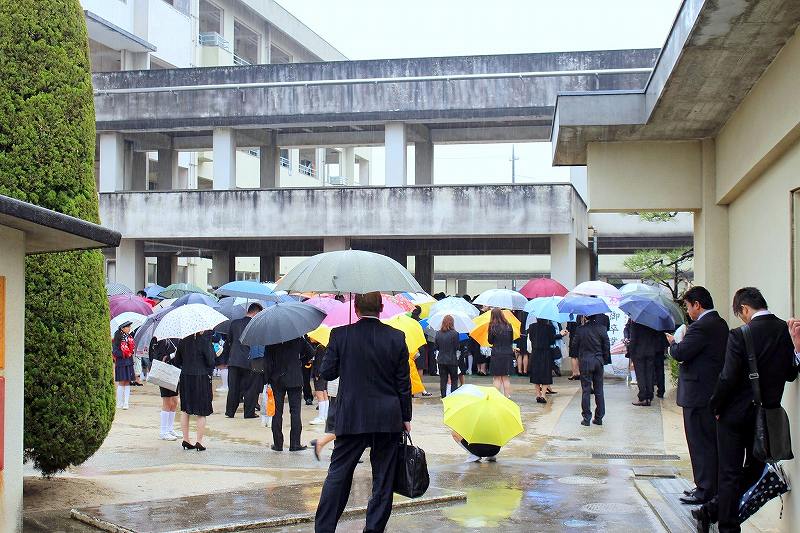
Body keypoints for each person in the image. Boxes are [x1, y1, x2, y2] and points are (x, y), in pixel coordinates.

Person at [696, 288, 797, 533]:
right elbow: (791, 374)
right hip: (766, 417)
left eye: (741, 314)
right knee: (755, 469)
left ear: (744, 309)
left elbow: (727, 377)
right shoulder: (784, 330)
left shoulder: (740, 334)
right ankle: (712, 511)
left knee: (729, 474)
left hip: (733, 416)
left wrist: (715, 405)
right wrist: (798, 349)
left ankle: (723, 522)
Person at [314, 292, 411, 533]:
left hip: (351, 415)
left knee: (338, 474)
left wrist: (338, 349)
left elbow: (327, 373)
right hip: (388, 417)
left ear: (356, 308)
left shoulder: (340, 335)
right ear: (380, 308)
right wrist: (406, 416)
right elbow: (403, 383)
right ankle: (373, 529)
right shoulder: (397, 337)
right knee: (383, 478)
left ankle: (324, 528)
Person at [665, 286, 728, 506]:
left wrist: (673, 343)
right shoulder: (720, 324)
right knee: (709, 442)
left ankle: (705, 489)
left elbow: (681, 353)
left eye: (688, 306)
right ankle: (708, 485)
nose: (688, 311)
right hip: (710, 392)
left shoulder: (701, 327)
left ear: (697, 305)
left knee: (700, 443)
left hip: (698, 394)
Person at [266, 336, 315, 451]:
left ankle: (278, 444)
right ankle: (295, 444)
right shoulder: (297, 338)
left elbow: (267, 361)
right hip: (294, 377)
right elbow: (311, 352)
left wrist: (268, 378)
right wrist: (300, 362)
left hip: (277, 378)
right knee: (295, 412)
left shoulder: (272, 339)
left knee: (277, 412)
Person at [174, 331, 216, 451]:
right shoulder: (205, 341)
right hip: (201, 378)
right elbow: (211, 362)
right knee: (201, 411)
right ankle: (199, 441)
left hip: (186, 377)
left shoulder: (183, 341)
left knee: (185, 409)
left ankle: (186, 439)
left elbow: (177, 361)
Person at [221, 303, 263, 418]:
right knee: (250, 388)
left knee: (233, 388)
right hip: (249, 361)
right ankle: (248, 413)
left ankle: (230, 412)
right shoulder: (256, 325)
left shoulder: (234, 323)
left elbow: (229, 341)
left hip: (234, 360)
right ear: (256, 313)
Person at [573, 314, 609, 426]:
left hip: (585, 361)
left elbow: (574, 346)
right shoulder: (602, 328)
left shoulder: (580, 330)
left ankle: (586, 418)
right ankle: (599, 417)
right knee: (599, 390)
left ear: (586, 317)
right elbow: (606, 345)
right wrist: (604, 359)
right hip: (598, 361)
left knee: (586, 390)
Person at [628, 321, 666, 406]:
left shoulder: (635, 322)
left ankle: (643, 397)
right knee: (649, 374)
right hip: (651, 351)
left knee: (640, 375)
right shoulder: (652, 322)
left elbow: (633, 339)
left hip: (639, 352)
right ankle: (649, 396)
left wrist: (631, 352)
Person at [150, 338, 179, 441]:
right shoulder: (160, 340)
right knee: (167, 401)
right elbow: (158, 358)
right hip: (164, 373)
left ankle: (170, 428)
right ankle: (163, 431)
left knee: (175, 401)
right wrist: (172, 355)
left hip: (174, 373)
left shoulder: (176, 339)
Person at [529, 318, 564, 403]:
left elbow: (531, 339)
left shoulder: (531, 327)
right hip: (546, 353)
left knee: (536, 374)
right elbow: (552, 341)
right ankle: (543, 395)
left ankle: (538, 395)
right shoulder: (550, 328)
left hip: (535, 353)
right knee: (545, 373)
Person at [488, 308, 515, 397]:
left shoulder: (492, 326)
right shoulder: (509, 326)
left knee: (497, 378)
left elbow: (490, 341)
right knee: (505, 378)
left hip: (496, 353)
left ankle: (496, 398)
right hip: (507, 353)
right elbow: (511, 340)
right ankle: (507, 397)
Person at [435, 315, 460, 398]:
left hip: (441, 359)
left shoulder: (438, 333)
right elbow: (457, 347)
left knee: (443, 379)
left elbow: (437, 347)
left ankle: (443, 396)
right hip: (452, 359)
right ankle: (453, 397)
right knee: (454, 379)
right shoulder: (455, 333)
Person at [112, 321, 136, 410]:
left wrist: (131, 351)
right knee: (121, 382)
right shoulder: (117, 339)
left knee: (127, 382)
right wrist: (124, 353)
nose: (129, 328)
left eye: (129, 327)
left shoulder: (130, 338)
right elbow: (115, 352)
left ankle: (126, 403)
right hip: (121, 363)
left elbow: (132, 348)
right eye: (128, 327)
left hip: (129, 362)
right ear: (122, 328)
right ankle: (119, 403)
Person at [309, 341, 329, 426]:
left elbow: (319, 362)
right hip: (324, 374)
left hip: (319, 374)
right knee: (324, 394)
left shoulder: (320, 347)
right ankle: (325, 415)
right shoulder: (324, 346)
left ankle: (321, 417)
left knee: (319, 394)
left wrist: (317, 374)